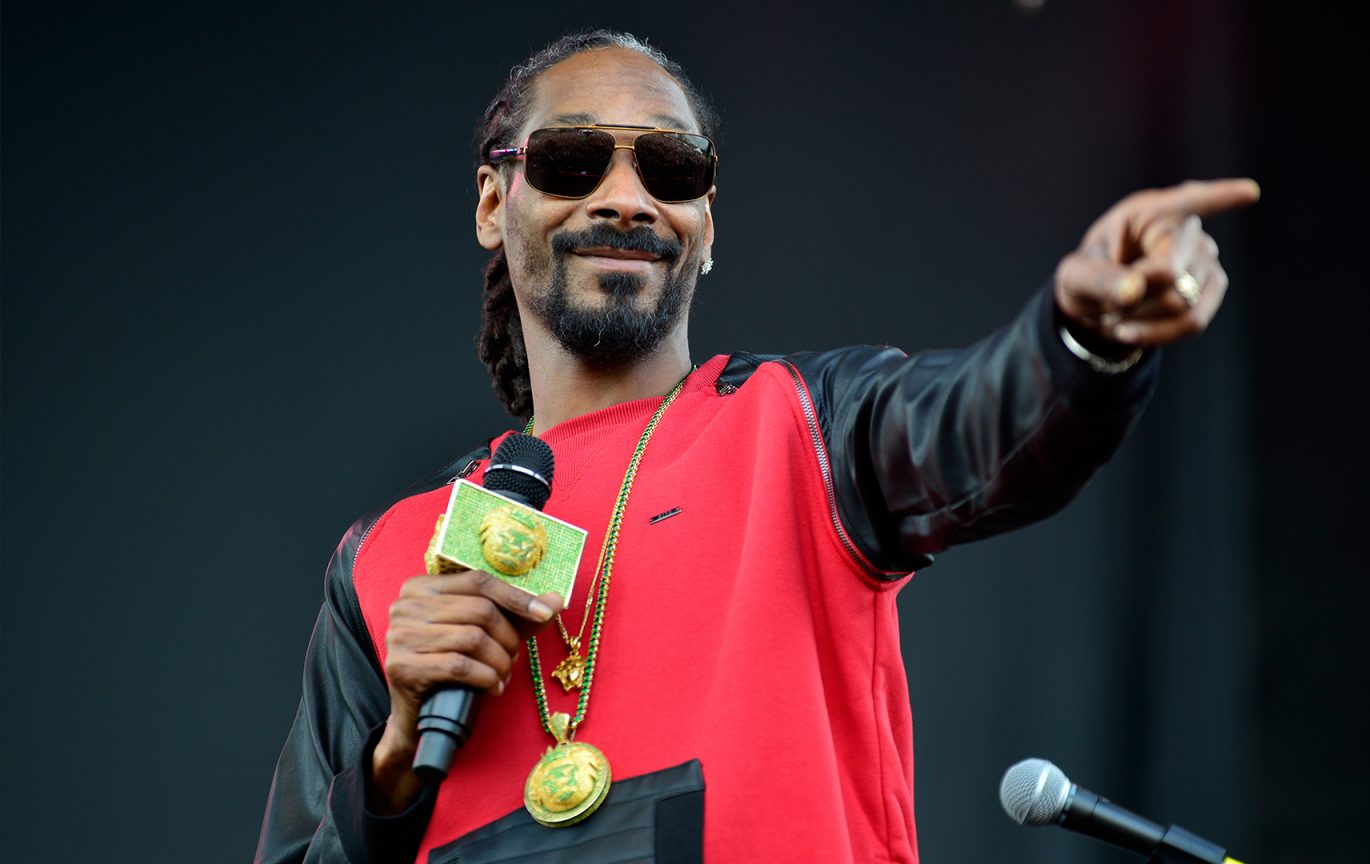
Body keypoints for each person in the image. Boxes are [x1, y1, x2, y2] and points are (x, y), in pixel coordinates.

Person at [254, 29, 1258, 864]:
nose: (625, 197)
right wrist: (392, 765)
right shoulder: (386, 558)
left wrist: (1082, 338)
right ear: (492, 202)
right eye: (572, 160)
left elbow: (984, 428)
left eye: (670, 168)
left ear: (706, 221)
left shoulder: (804, 422)